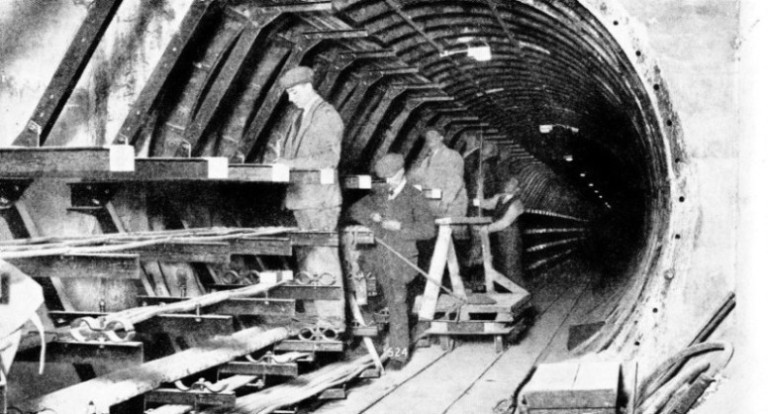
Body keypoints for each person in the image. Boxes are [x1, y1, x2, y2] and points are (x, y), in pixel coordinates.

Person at [272, 66, 345, 331]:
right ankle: (316, 320)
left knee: (323, 259)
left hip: (320, 201)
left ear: (306, 87)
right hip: (302, 199)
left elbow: (330, 159)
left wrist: (290, 164)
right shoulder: (300, 117)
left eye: (293, 92)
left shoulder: (326, 115)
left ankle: (333, 322)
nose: (290, 98)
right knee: (308, 261)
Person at [347, 154, 436, 369]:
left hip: (400, 260)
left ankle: (398, 353)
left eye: (391, 177)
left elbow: (428, 230)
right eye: (384, 177)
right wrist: (373, 217)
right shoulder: (379, 193)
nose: (387, 181)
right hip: (373, 259)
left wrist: (401, 228)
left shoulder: (415, 197)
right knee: (369, 303)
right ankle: (372, 346)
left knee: (397, 306)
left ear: (401, 171)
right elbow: (355, 209)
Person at [474, 176, 526, 289]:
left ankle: (522, 297)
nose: (507, 185)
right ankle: (509, 296)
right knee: (500, 267)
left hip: (511, 238)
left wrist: (486, 229)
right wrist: (480, 188)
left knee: (511, 268)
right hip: (499, 237)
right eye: (507, 183)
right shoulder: (499, 198)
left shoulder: (517, 204)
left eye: (512, 184)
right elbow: (482, 203)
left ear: (517, 189)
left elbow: (504, 222)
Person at [407, 127, 467, 219]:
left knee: (448, 232)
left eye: (433, 135)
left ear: (441, 138)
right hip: (433, 204)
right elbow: (416, 177)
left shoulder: (451, 155)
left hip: (451, 206)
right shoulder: (426, 160)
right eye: (428, 136)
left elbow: (455, 181)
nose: (430, 138)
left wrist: (445, 202)